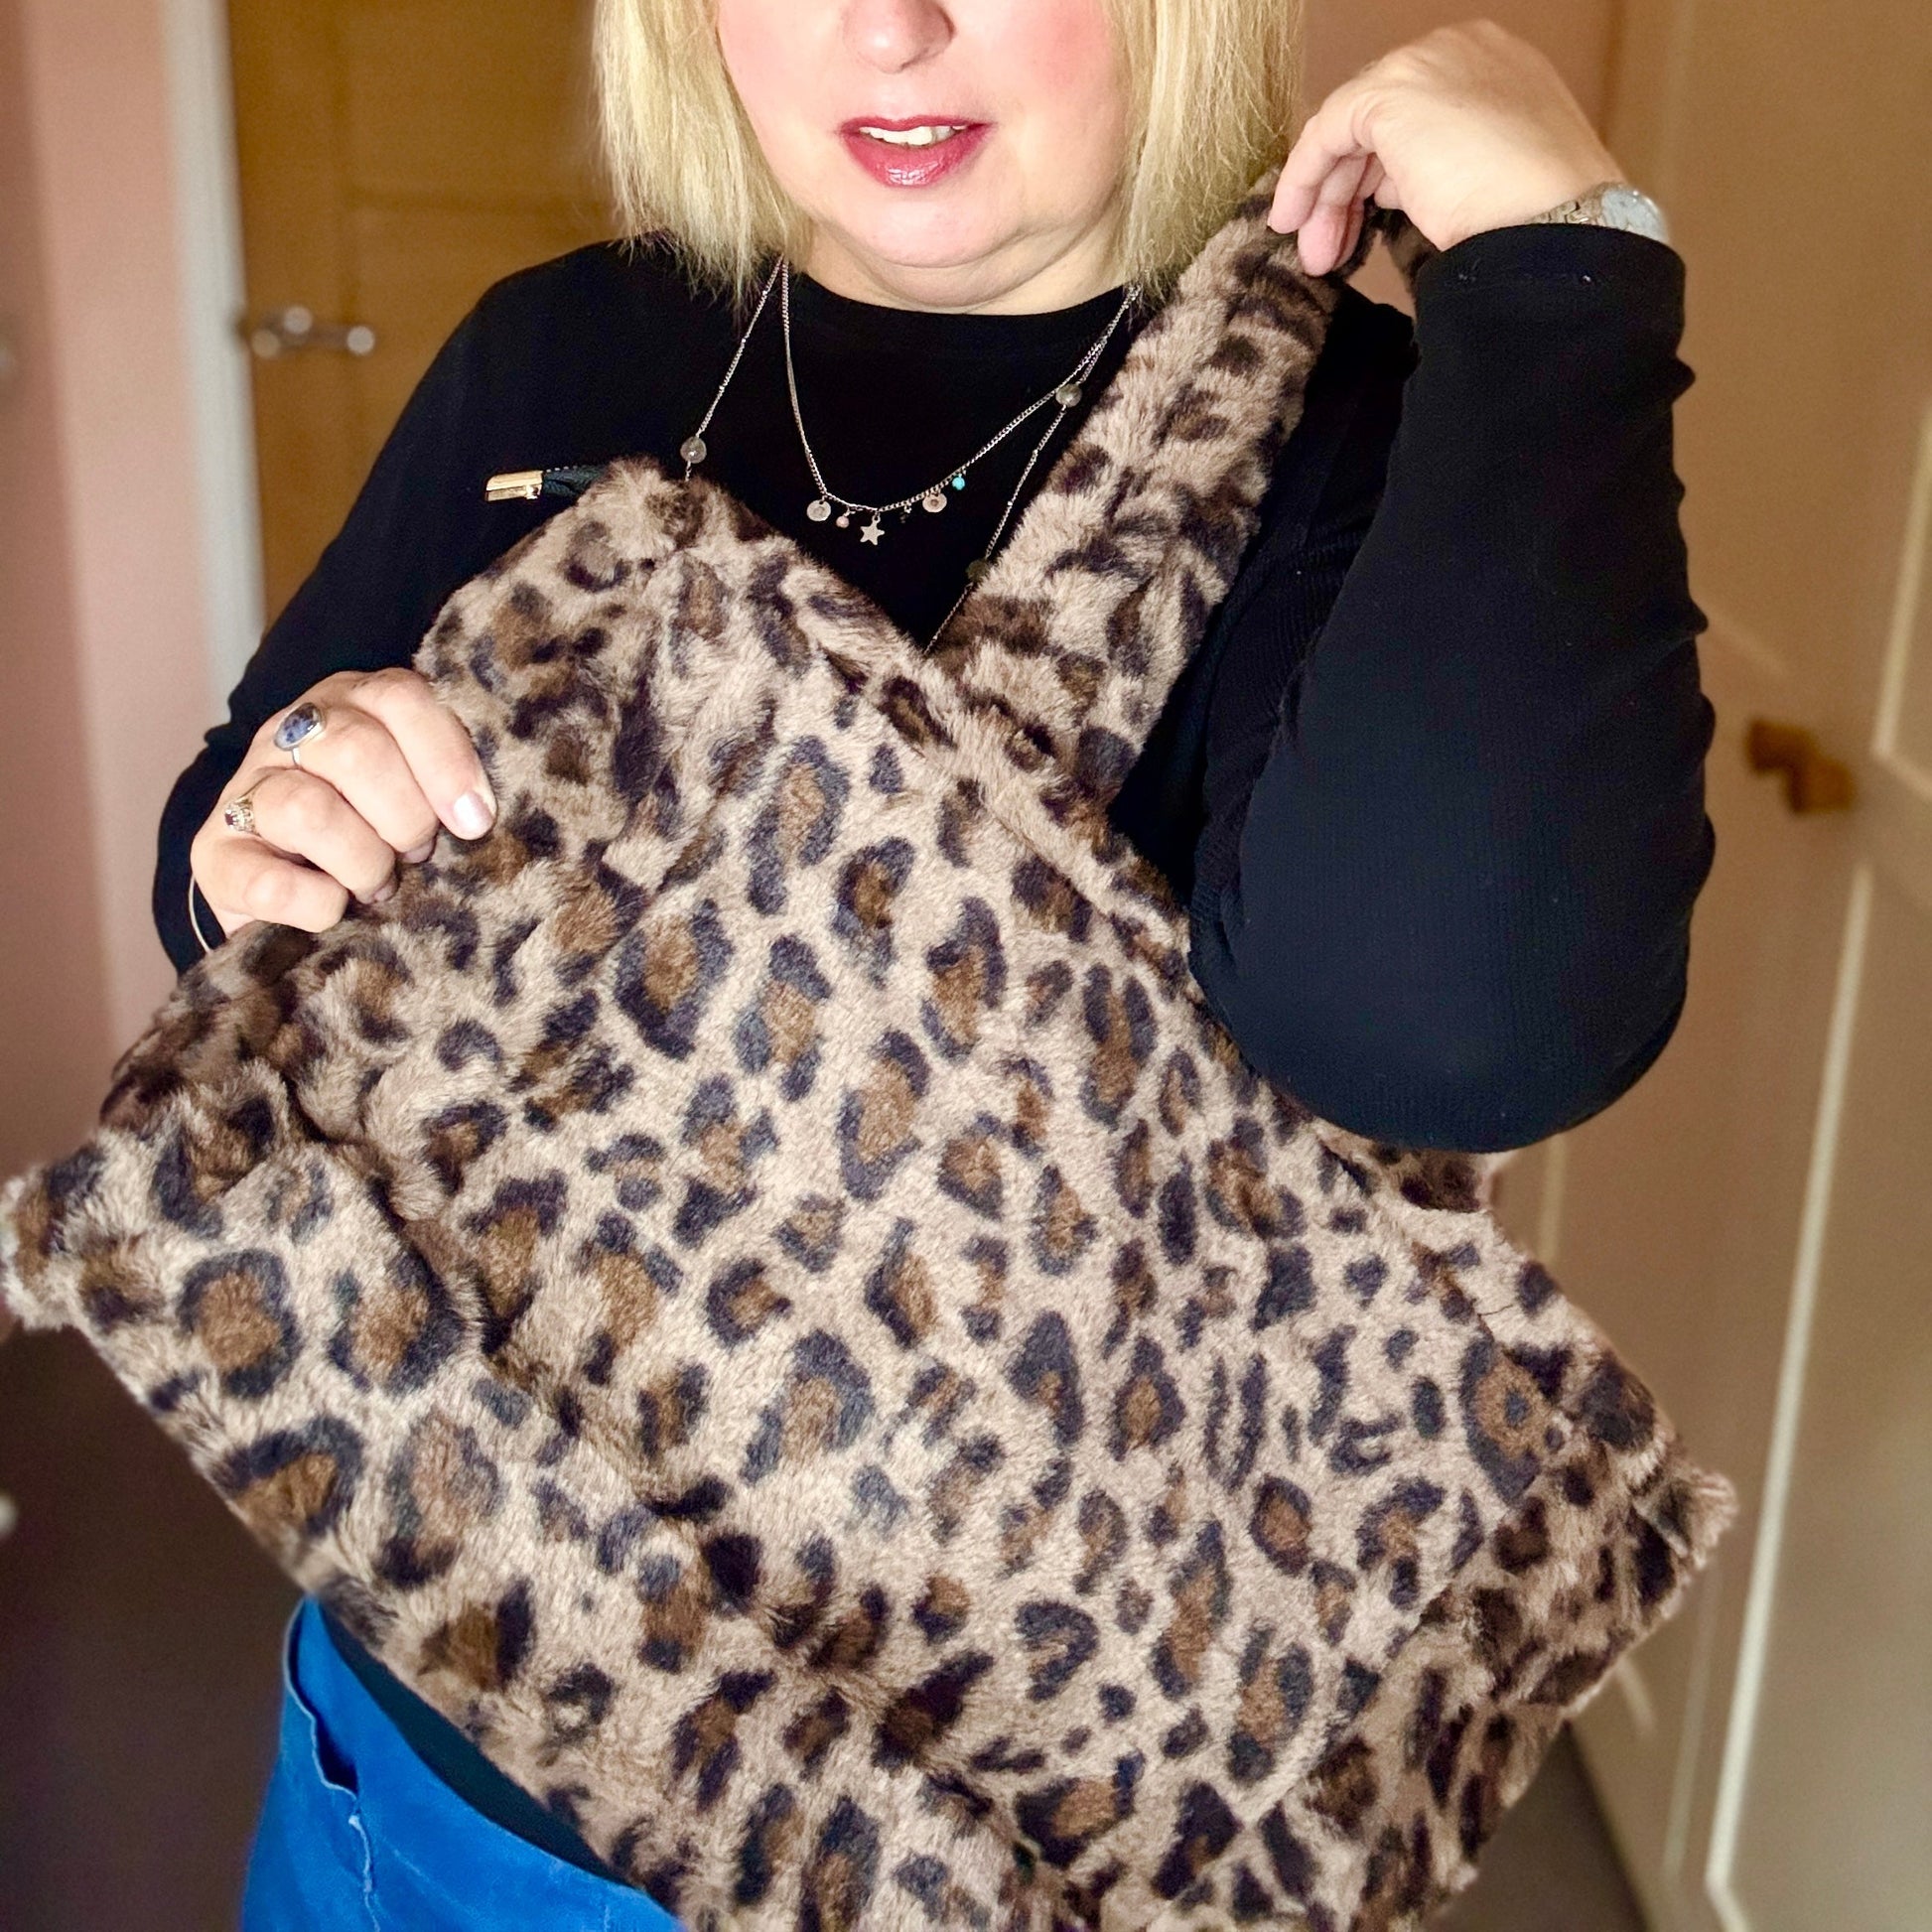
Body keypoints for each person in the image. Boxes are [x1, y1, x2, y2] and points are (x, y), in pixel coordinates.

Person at [143, 3, 1712, 1923]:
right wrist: (274, 823)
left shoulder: (1364, 434)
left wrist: (1563, 272)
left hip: (925, 1846)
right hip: (391, 1762)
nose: (889, 28)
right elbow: (231, 843)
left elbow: (1449, 1029)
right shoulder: (569, 347)